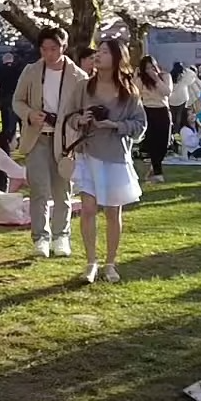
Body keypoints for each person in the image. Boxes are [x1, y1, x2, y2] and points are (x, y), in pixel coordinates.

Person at [70, 38, 146, 283]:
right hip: (88, 152)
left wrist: (115, 124)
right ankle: (90, 262)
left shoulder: (129, 91)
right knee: (89, 209)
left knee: (113, 212)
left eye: (104, 52)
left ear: (116, 57)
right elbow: (69, 116)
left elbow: (139, 125)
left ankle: (110, 263)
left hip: (115, 155)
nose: (98, 56)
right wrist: (80, 120)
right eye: (97, 52)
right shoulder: (84, 87)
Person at [13, 28, 88, 259]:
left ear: (63, 48)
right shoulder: (32, 71)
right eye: (44, 49)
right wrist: (29, 114)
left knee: (62, 190)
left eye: (53, 49)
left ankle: (61, 236)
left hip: (65, 141)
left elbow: (81, 109)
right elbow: (17, 101)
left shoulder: (78, 76)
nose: (48, 53)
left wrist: (73, 123)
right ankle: (40, 238)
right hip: (37, 137)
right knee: (39, 190)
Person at [137, 56, 173, 184]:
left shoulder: (165, 77)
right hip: (148, 111)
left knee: (164, 143)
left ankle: (154, 166)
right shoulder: (141, 80)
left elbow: (167, 92)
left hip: (163, 110)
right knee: (153, 142)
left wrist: (156, 78)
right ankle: (158, 173)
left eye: (152, 67)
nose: (150, 70)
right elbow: (135, 94)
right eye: (146, 68)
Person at [0, 51, 26, 154]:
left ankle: (7, 144)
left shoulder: (0, 68)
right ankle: (23, 143)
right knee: (21, 121)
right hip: (18, 98)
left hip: (5, 99)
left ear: (4, 60)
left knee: (7, 124)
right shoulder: (18, 68)